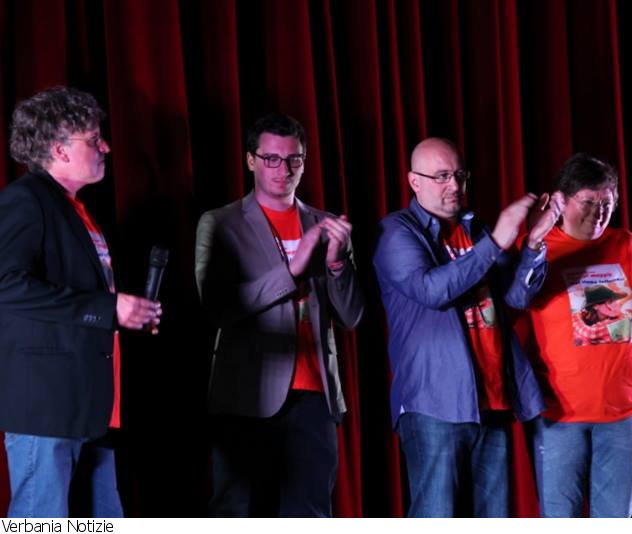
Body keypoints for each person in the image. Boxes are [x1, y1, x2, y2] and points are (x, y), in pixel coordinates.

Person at [373, 137, 563, 517]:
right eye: (442, 176)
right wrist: (495, 242)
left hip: (492, 401)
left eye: (460, 175)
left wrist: (534, 243)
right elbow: (432, 290)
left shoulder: (475, 230)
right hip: (434, 404)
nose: (455, 186)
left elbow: (516, 298)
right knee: (436, 516)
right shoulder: (397, 231)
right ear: (414, 181)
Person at [0, 86, 162, 517]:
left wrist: (127, 312)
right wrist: (108, 308)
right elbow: (5, 284)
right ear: (59, 150)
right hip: (46, 406)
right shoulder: (26, 200)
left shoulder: (77, 210)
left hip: (89, 404)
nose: (105, 147)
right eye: (93, 139)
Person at [195, 112, 364, 517]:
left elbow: (352, 316)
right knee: (238, 512)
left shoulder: (325, 224)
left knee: (310, 513)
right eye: (271, 158)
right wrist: (292, 270)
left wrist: (338, 265)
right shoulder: (220, 223)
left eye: (294, 159)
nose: (283, 169)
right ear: (251, 160)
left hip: (315, 395)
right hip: (246, 395)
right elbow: (217, 306)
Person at [521, 153, 632, 517]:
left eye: (606, 203)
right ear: (561, 201)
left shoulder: (628, 245)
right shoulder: (537, 251)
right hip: (559, 414)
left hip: (625, 411)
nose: (598, 212)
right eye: (588, 202)